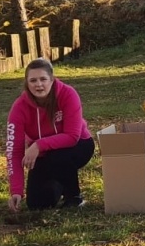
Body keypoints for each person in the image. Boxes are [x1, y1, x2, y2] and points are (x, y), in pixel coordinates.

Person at [7, 57, 94, 211]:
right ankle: (58, 183)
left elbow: (72, 136)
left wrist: (38, 145)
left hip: (79, 145)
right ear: (26, 82)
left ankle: (73, 197)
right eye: (33, 80)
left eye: (43, 79)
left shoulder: (68, 94)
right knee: (37, 204)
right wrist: (16, 190)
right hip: (44, 154)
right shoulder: (19, 108)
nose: (38, 84)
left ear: (52, 80)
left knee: (58, 157)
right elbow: (14, 152)